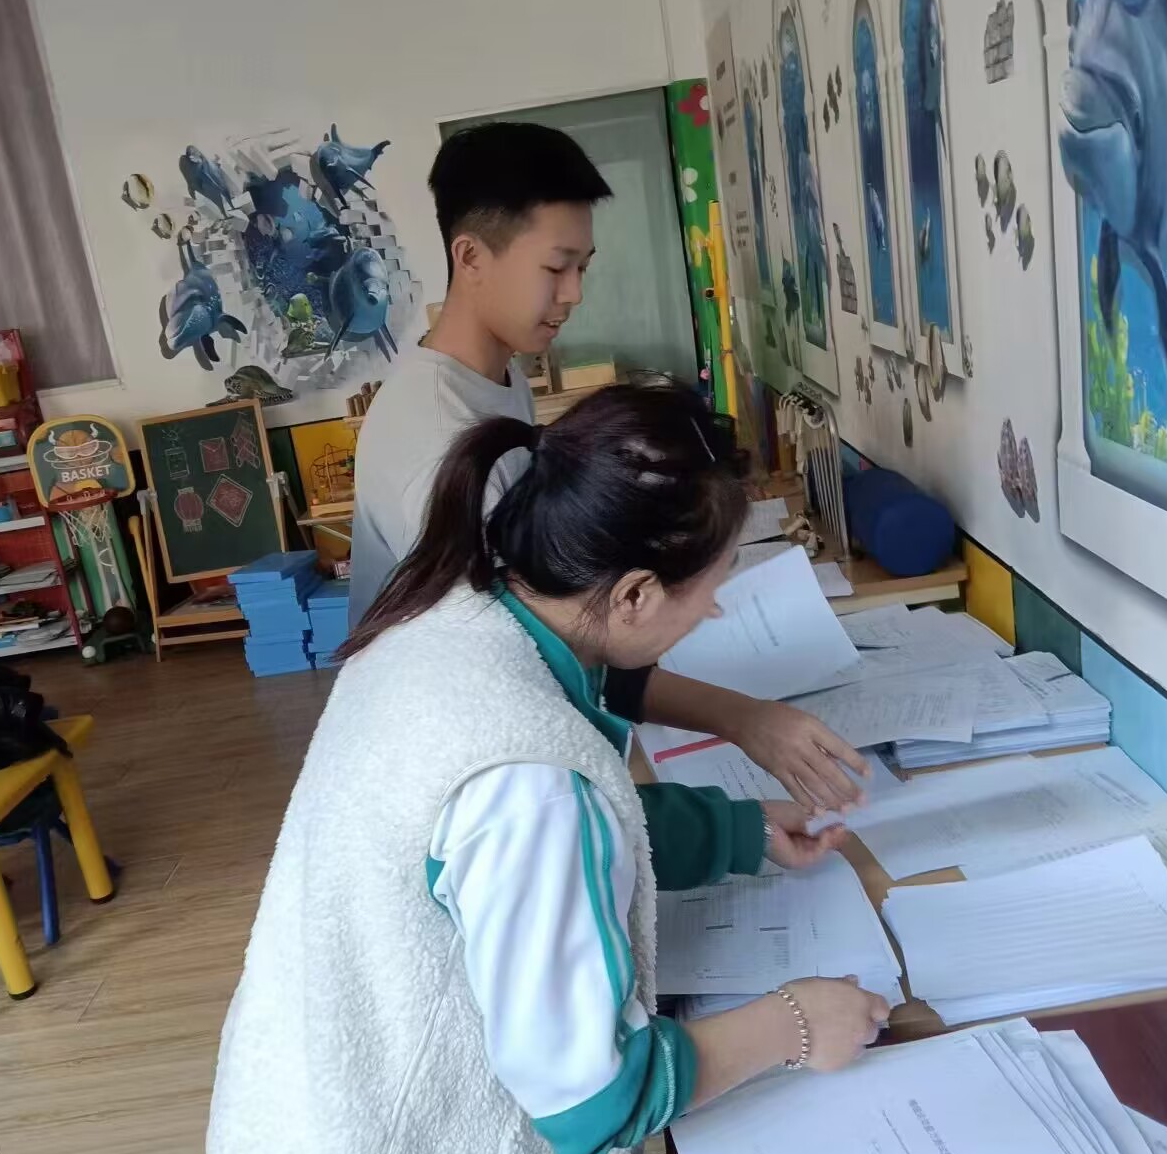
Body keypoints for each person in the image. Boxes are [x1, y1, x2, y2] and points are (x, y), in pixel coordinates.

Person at [207, 382, 890, 1154]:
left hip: (298, 1108)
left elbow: (544, 843)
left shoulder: (456, 610)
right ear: (634, 595)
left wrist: (735, 831)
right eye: (711, 589)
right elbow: (595, 1104)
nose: (712, 611)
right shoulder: (531, 782)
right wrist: (798, 1024)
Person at [348, 120, 865, 812]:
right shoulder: (437, 433)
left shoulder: (497, 378)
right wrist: (743, 721)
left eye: (583, 268)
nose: (574, 294)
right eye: (555, 268)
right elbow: (532, 652)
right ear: (470, 257)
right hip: (449, 776)